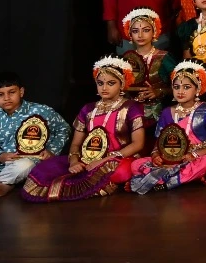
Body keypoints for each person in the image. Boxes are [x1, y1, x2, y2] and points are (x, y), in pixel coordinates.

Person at [22, 57, 147, 202]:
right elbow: (75, 144)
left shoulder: (131, 107)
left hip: (118, 158)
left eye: (111, 83)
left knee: (121, 172)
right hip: (87, 158)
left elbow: (138, 144)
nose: (104, 88)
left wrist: (105, 160)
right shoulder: (88, 109)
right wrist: (75, 161)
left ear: (122, 85)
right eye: (100, 83)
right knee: (45, 168)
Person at [126, 61, 206, 194]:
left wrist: (195, 154)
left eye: (186, 87)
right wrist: (156, 155)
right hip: (170, 159)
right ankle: (185, 178)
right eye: (176, 87)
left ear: (197, 89)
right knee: (136, 164)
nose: (180, 91)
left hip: (196, 158)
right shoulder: (167, 112)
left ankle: (162, 181)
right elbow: (159, 142)